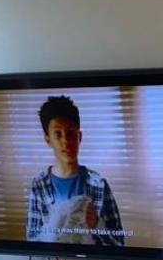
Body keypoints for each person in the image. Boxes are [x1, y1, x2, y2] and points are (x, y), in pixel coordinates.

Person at [25, 95, 125, 245]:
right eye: (57, 134)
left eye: (70, 133)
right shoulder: (39, 185)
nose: (66, 141)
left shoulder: (99, 184)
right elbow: (32, 240)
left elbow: (119, 243)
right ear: (48, 139)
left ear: (80, 136)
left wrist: (97, 225)